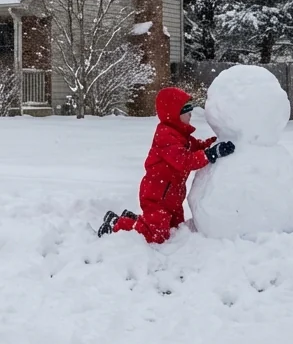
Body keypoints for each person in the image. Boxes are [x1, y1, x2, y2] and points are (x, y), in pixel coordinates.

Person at [98, 86, 236, 243]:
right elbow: (184, 161)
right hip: (157, 195)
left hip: (173, 197)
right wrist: (211, 154)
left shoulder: (181, 135)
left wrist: (212, 143)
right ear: (172, 113)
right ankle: (117, 224)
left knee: (176, 230)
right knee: (158, 235)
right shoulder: (166, 136)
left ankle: (135, 220)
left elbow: (196, 146)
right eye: (186, 109)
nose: (191, 113)